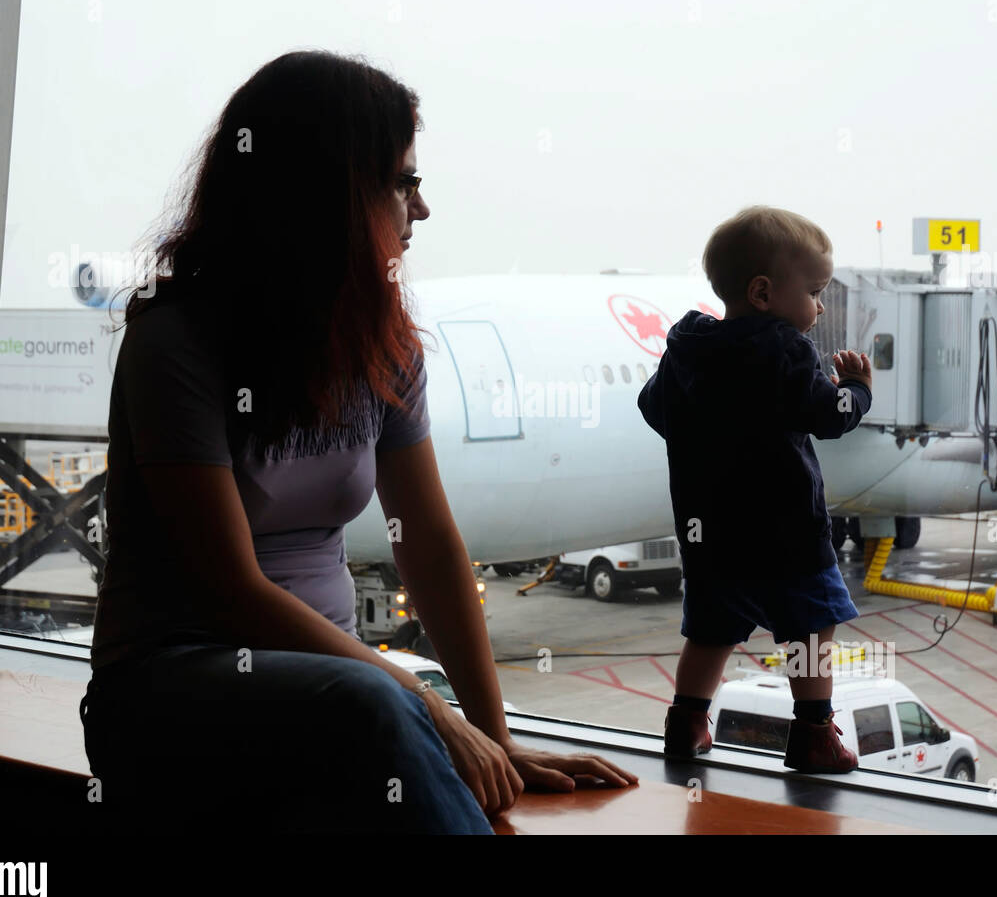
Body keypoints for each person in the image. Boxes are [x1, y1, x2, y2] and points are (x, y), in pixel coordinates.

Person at [79, 50, 638, 834]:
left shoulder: (382, 343)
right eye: (405, 182)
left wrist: (499, 739)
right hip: (168, 694)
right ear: (329, 192)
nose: (423, 209)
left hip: (327, 691)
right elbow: (229, 592)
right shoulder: (175, 343)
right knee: (385, 695)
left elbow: (433, 545)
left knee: (382, 699)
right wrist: (429, 709)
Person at [636, 205, 872, 773]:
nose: (819, 307)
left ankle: (686, 723)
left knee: (710, 632)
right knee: (809, 628)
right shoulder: (782, 349)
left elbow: (652, 405)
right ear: (763, 293)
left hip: (711, 537)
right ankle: (813, 735)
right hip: (786, 535)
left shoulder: (688, 349)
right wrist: (858, 390)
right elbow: (828, 415)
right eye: (815, 292)